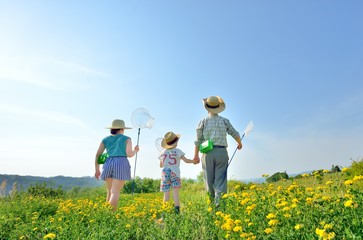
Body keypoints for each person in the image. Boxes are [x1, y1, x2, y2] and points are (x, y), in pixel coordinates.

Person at [193, 96, 242, 206]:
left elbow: (198, 140)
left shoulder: (203, 121)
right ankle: (219, 207)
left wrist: (196, 156)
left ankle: (211, 207)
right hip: (222, 152)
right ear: (218, 107)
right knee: (220, 181)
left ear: (207, 107)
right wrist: (239, 143)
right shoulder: (225, 121)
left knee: (208, 181)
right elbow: (235, 133)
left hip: (208, 153)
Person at [94, 119, 139, 211]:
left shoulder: (105, 139)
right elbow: (129, 154)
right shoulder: (126, 139)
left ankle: (105, 214)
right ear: (122, 129)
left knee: (109, 192)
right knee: (115, 193)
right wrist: (136, 150)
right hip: (121, 162)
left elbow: (98, 155)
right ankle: (111, 216)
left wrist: (97, 169)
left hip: (108, 162)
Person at [159, 131, 197, 215]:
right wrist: (193, 161)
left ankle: (164, 215)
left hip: (165, 174)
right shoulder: (177, 151)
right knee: (175, 194)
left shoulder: (162, 152)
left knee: (166, 195)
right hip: (174, 173)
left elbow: (161, 165)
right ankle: (177, 213)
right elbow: (186, 161)